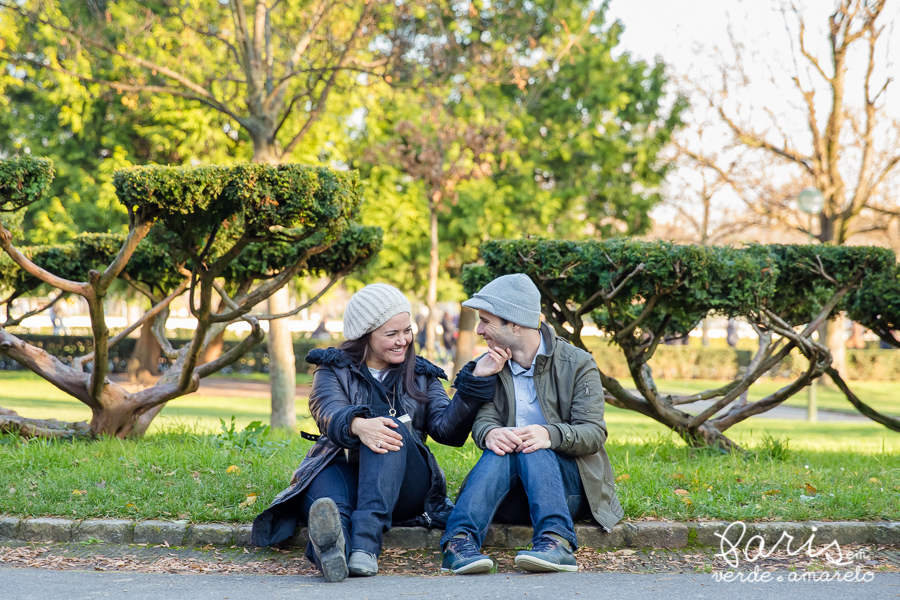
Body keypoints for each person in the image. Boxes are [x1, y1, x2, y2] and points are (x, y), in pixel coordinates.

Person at [250, 283, 494, 582]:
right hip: (341, 466)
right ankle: (333, 551)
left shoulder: (421, 374)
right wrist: (356, 424)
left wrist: (474, 384)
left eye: (406, 331)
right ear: (364, 335)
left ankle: (365, 545)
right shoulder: (333, 369)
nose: (402, 340)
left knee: (389, 428)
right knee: (328, 506)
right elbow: (327, 411)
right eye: (391, 334)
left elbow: (448, 432)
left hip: (403, 480)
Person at [440, 274, 623, 575]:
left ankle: (556, 541)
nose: (479, 329)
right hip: (508, 494)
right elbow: (485, 418)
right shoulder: (493, 364)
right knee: (502, 449)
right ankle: (459, 543)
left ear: (514, 323)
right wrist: (489, 432)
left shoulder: (577, 363)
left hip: (567, 492)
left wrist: (549, 435)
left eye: (486, 321)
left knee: (533, 447)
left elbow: (594, 433)